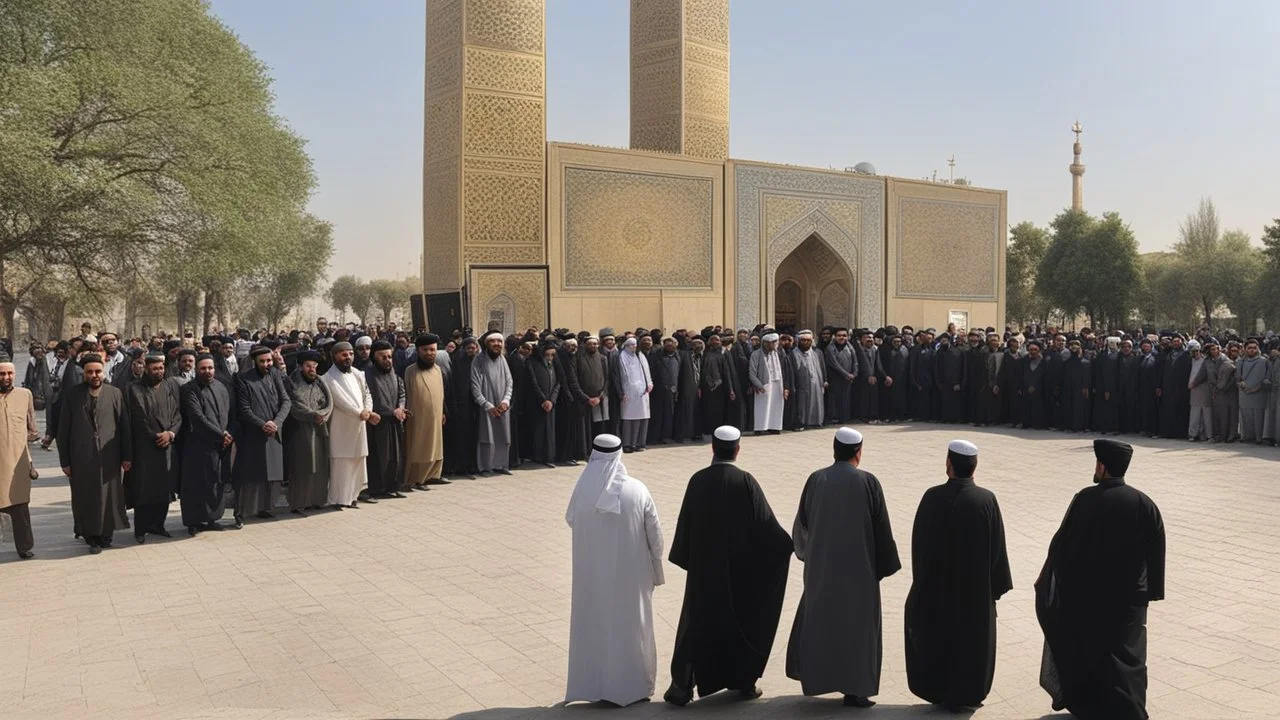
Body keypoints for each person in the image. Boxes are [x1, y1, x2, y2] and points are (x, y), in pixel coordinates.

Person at [1036, 439, 1165, 720]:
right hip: (1129, 601)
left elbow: (1061, 548)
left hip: (1087, 598)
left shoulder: (1085, 498)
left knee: (1089, 654)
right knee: (1127, 658)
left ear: (1102, 467)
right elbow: (1156, 553)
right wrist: (1152, 591)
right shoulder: (1145, 504)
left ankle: (1090, 706)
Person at [664, 426, 793, 706]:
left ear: (712, 447)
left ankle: (682, 686)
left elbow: (684, 526)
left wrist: (692, 562)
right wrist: (789, 546)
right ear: (737, 449)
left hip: (703, 573)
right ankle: (743, 681)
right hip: (739, 575)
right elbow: (769, 529)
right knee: (740, 625)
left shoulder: (697, 480)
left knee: (695, 626)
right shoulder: (745, 482)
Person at [786, 427, 900, 708]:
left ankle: (818, 680)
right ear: (858, 453)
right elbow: (881, 530)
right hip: (861, 573)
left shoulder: (816, 480)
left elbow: (802, 525)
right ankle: (856, 689)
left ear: (834, 450)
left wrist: (809, 557)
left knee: (822, 623)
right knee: (858, 631)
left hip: (821, 569)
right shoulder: (869, 483)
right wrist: (883, 567)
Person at [904, 439, 1012, 711]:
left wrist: (923, 583)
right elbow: (997, 551)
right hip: (974, 595)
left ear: (948, 464)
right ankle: (968, 694)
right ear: (974, 467)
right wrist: (993, 589)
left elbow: (918, 546)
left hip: (936, 592)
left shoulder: (931, 497)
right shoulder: (986, 500)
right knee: (971, 646)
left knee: (938, 641)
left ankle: (939, 691)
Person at [564, 433, 665, 707]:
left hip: (592, 576)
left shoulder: (582, 489)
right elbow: (656, 537)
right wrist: (656, 567)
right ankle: (632, 686)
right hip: (631, 576)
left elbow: (571, 519)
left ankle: (594, 684)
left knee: (596, 624)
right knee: (631, 626)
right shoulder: (637, 489)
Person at [58, 354, 132, 554]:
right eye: (90, 372)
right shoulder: (72, 395)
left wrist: (127, 456)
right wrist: (64, 461)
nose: (94, 375)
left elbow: (124, 427)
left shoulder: (114, 393)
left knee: (109, 495)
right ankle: (91, 535)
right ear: (84, 373)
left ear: (104, 371)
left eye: (98, 371)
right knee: (86, 496)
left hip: (110, 456)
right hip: (81, 456)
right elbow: (63, 430)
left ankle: (106, 533)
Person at [123, 354, 183, 543]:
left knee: (164, 490)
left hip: (167, 447)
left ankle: (158, 525)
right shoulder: (134, 389)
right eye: (155, 368)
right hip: (145, 449)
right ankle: (141, 529)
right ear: (146, 369)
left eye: (161, 368)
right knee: (144, 491)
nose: (159, 371)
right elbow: (138, 419)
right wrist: (156, 436)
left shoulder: (168, 387)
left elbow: (177, 414)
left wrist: (171, 433)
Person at [231, 346, 291, 526]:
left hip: (274, 432)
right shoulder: (243, 379)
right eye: (262, 361)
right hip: (253, 433)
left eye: (269, 361)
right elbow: (244, 409)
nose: (266, 364)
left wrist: (276, 422)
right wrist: (263, 424)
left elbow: (286, 401)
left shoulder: (275, 375)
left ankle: (264, 508)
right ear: (254, 361)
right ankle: (241, 513)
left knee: (271, 475)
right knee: (250, 476)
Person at [179, 355, 232, 535]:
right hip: (198, 444)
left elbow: (228, 413)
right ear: (196, 370)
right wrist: (220, 434)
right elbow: (197, 418)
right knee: (196, 483)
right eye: (203, 368)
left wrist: (228, 433)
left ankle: (212, 518)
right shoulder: (189, 390)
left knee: (215, 482)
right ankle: (194, 521)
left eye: (210, 368)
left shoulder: (221, 387)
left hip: (220, 445)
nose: (207, 372)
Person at [324, 342, 374, 509]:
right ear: (335, 356)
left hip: (359, 426)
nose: (348, 358)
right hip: (342, 428)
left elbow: (367, 394)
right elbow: (341, 400)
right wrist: (360, 413)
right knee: (342, 464)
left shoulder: (358, 374)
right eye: (344, 355)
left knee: (358, 462)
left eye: (351, 354)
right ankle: (338, 499)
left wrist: (367, 409)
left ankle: (353, 497)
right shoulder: (328, 378)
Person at [0, 356, 39, 559]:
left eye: (9, 373)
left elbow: (32, 428)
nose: (6, 377)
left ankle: (24, 547)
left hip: (18, 461)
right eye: (2, 374)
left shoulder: (25, 395)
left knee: (20, 505)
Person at [284, 350, 332, 515]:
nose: (312, 370)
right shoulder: (292, 383)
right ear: (300, 367)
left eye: (314, 366)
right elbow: (295, 404)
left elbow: (328, 401)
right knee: (302, 466)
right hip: (300, 430)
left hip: (320, 427)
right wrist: (313, 415)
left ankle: (317, 499)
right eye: (308, 366)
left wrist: (324, 414)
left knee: (320, 465)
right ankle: (299, 502)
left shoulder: (319, 382)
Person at [404, 333, 447, 490]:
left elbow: (441, 393)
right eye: (425, 350)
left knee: (436, 445)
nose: (429, 353)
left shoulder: (438, 370)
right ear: (418, 351)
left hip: (436, 415)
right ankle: (416, 478)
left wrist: (442, 412)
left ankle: (433, 475)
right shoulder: (410, 371)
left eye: (432, 350)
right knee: (419, 446)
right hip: (417, 417)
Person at [365, 340, 407, 500]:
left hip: (395, 422)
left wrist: (401, 408)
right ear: (374, 358)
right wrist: (391, 411)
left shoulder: (394, 375)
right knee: (379, 457)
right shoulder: (367, 375)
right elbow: (369, 399)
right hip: (377, 423)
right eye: (383, 357)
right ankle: (377, 489)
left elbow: (402, 393)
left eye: (389, 357)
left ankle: (393, 487)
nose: (387, 360)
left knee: (396, 457)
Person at [471, 332, 514, 476]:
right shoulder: (479, 360)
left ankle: (500, 464)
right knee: (486, 436)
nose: (497, 344)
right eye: (493, 341)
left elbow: (509, 382)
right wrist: (487, 405)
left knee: (503, 436)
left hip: (502, 406)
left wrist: (506, 401)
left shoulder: (503, 359)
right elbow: (475, 386)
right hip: (486, 406)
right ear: (486, 344)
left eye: (499, 341)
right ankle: (485, 467)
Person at [614, 337, 653, 453]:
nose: (633, 347)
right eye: (631, 345)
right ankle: (627, 444)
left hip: (643, 392)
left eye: (635, 345)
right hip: (629, 392)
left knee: (643, 418)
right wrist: (623, 392)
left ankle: (640, 443)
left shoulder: (640, 356)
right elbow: (623, 375)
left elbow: (647, 372)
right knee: (629, 420)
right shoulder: (621, 357)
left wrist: (649, 383)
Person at [528, 342, 561, 468]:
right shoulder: (533, 364)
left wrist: (552, 400)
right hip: (539, 403)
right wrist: (543, 400)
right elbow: (533, 383)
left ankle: (549, 456)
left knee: (550, 430)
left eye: (552, 355)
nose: (550, 357)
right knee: (539, 429)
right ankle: (538, 456)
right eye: (547, 354)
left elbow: (559, 383)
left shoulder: (556, 366)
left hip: (551, 402)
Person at [748, 332, 786, 435]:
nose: (772, 345)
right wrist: (759, 385)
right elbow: (752, 372)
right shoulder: (756, 354)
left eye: (774, 342)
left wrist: (786, 387)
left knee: (776, 406)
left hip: (778, 383)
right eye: (769, 343)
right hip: (764, 384)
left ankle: (774, 427)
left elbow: (785, 370)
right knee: (762, 407)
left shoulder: (780, 353)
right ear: (764, 343)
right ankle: (760, 428)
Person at [575, 336, 610, 440]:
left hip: (600, 397)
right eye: (590, 344)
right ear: (585, 345)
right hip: (585, 398)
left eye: (595, 344)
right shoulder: (579, 358)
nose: (593, 346)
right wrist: (586, 397)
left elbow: (606, 378)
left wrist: (600, 395)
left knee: (599, 425)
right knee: (587, 427)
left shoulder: (603, 358)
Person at [791, 330, 826, 429]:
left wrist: (825, 380)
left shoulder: (817, 353)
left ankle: (816, 422)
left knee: (817, 402)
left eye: (808, 340)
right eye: (803, 340)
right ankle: (803, 422)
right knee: (802, 404)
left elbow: (823, 367)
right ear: (798, 341)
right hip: (801, 383)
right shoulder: (793, 354)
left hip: (816, 383)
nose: (806, 342)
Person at [1236, 339, 1268, 443]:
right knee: (1245, 416)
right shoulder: (1240, 362)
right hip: (1244, 394)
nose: (1252, 350)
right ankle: (1246, 437)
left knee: (1258, 417)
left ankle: (1259, 438)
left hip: (1259, 394)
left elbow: (1267, 378)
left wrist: (1257, 388)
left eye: (1255, 348)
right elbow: (1237, 377)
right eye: (1249, 348)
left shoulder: (1264, 361)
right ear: (1245, 349)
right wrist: (1241, 384)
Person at [824, 328, 856, 424]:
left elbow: (855, 361)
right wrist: (846, 374)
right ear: (834, 337)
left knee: (846, 399)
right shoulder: (830, 348)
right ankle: (834, 418)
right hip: (835, 378)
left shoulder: (850, 347)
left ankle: (845, 418)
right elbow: (834, 364)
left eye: (844, 335)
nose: (842, 337)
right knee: (835, 399)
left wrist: (854, 374)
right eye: (839, 335)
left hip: (848, 379)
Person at [1186, 340, 1213, 441]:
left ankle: (1206, 435)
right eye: (1192, 351)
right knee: (1195, 414)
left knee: (1206, 414)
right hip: (1193, 391)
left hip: (1204, 389)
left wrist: (1195, 382)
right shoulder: (1190, 361)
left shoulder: (1206, 361)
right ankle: (1193, 434)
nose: (1195, 353)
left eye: (1197, 351)